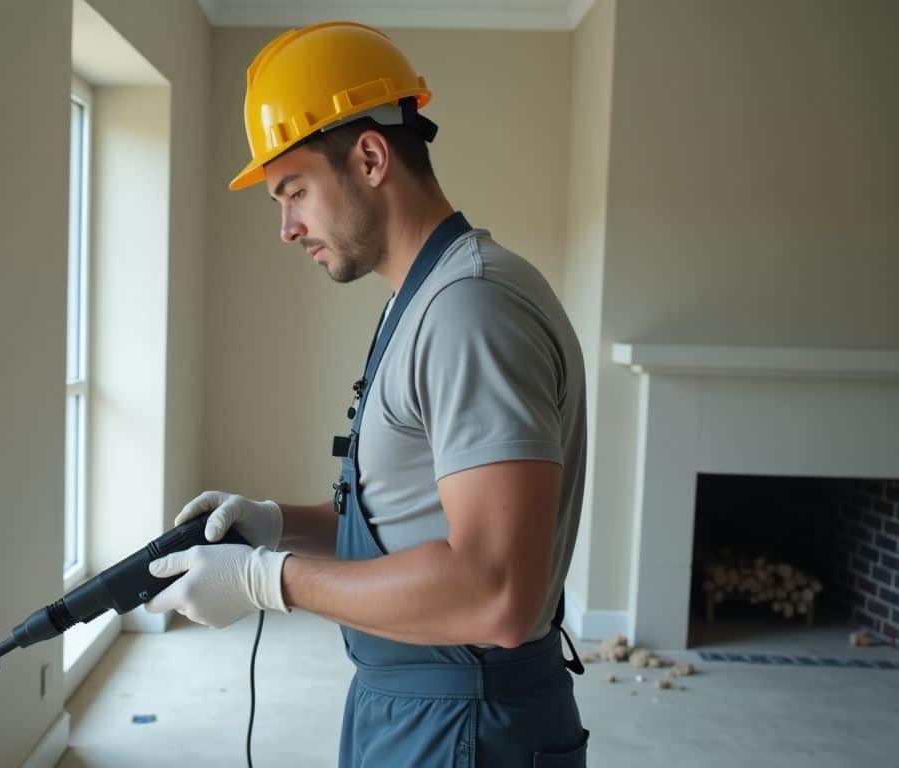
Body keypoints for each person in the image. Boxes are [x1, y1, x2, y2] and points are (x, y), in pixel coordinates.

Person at [145, 21, 590, 767]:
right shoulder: (418, 302)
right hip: (415, 704)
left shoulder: (468, 310)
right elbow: (408, 523)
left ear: (372, 157)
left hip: (463, 725)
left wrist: (268, 582)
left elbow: (496, 595)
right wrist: (274, 524)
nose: (286, 228)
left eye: (294, 192)